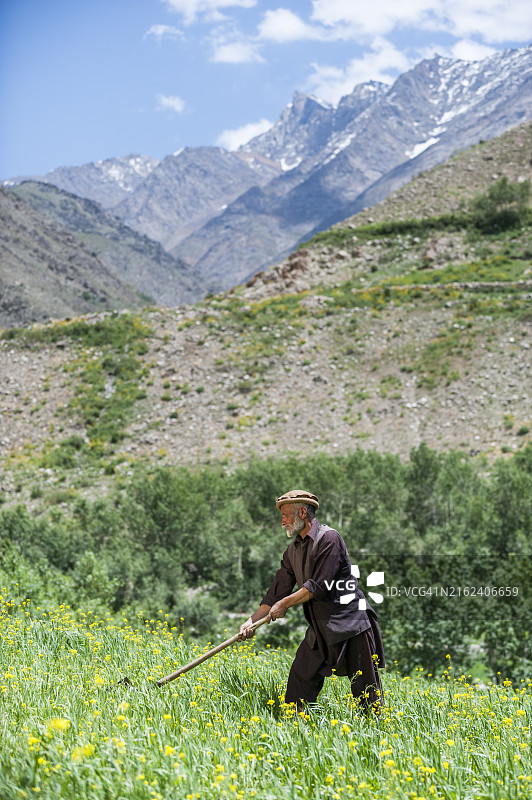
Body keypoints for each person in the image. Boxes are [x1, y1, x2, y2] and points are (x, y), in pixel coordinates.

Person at [239, 489, 385, 713]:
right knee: (300, 681)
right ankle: (297, 728)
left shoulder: (330, 539)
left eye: (285, 515)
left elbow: (317, 586)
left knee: (367, 692)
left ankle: (376, 729)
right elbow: (276, 593)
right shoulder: (292, 551)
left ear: (302, 512)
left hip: (350, 624)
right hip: (320, 629)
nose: (282, 522)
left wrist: (284, 605)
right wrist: (251, 621)